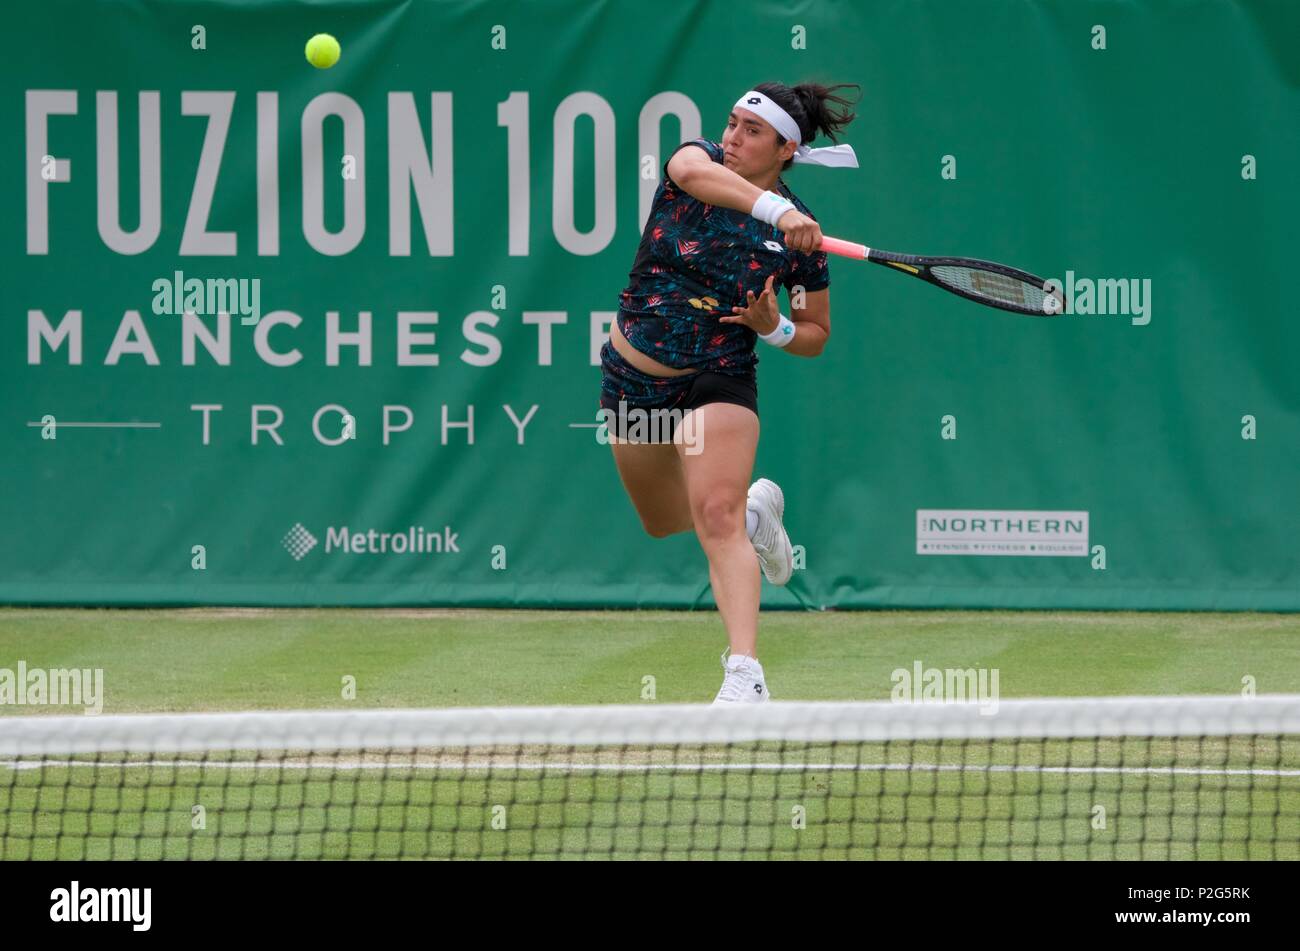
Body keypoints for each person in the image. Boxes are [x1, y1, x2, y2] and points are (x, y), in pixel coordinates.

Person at [599, 81, 859, 703]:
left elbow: (816, 334)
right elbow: (691, 171)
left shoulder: (802, 243)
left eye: (752, 131)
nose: (734, 138)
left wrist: (777, 329)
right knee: (665, 521)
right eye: (734, 123)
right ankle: (755, 516)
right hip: (633, 377)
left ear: (786, 150)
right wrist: (778, 212)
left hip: (719, 376)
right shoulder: (698, 162)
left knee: (713, 517)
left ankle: (745, 675)